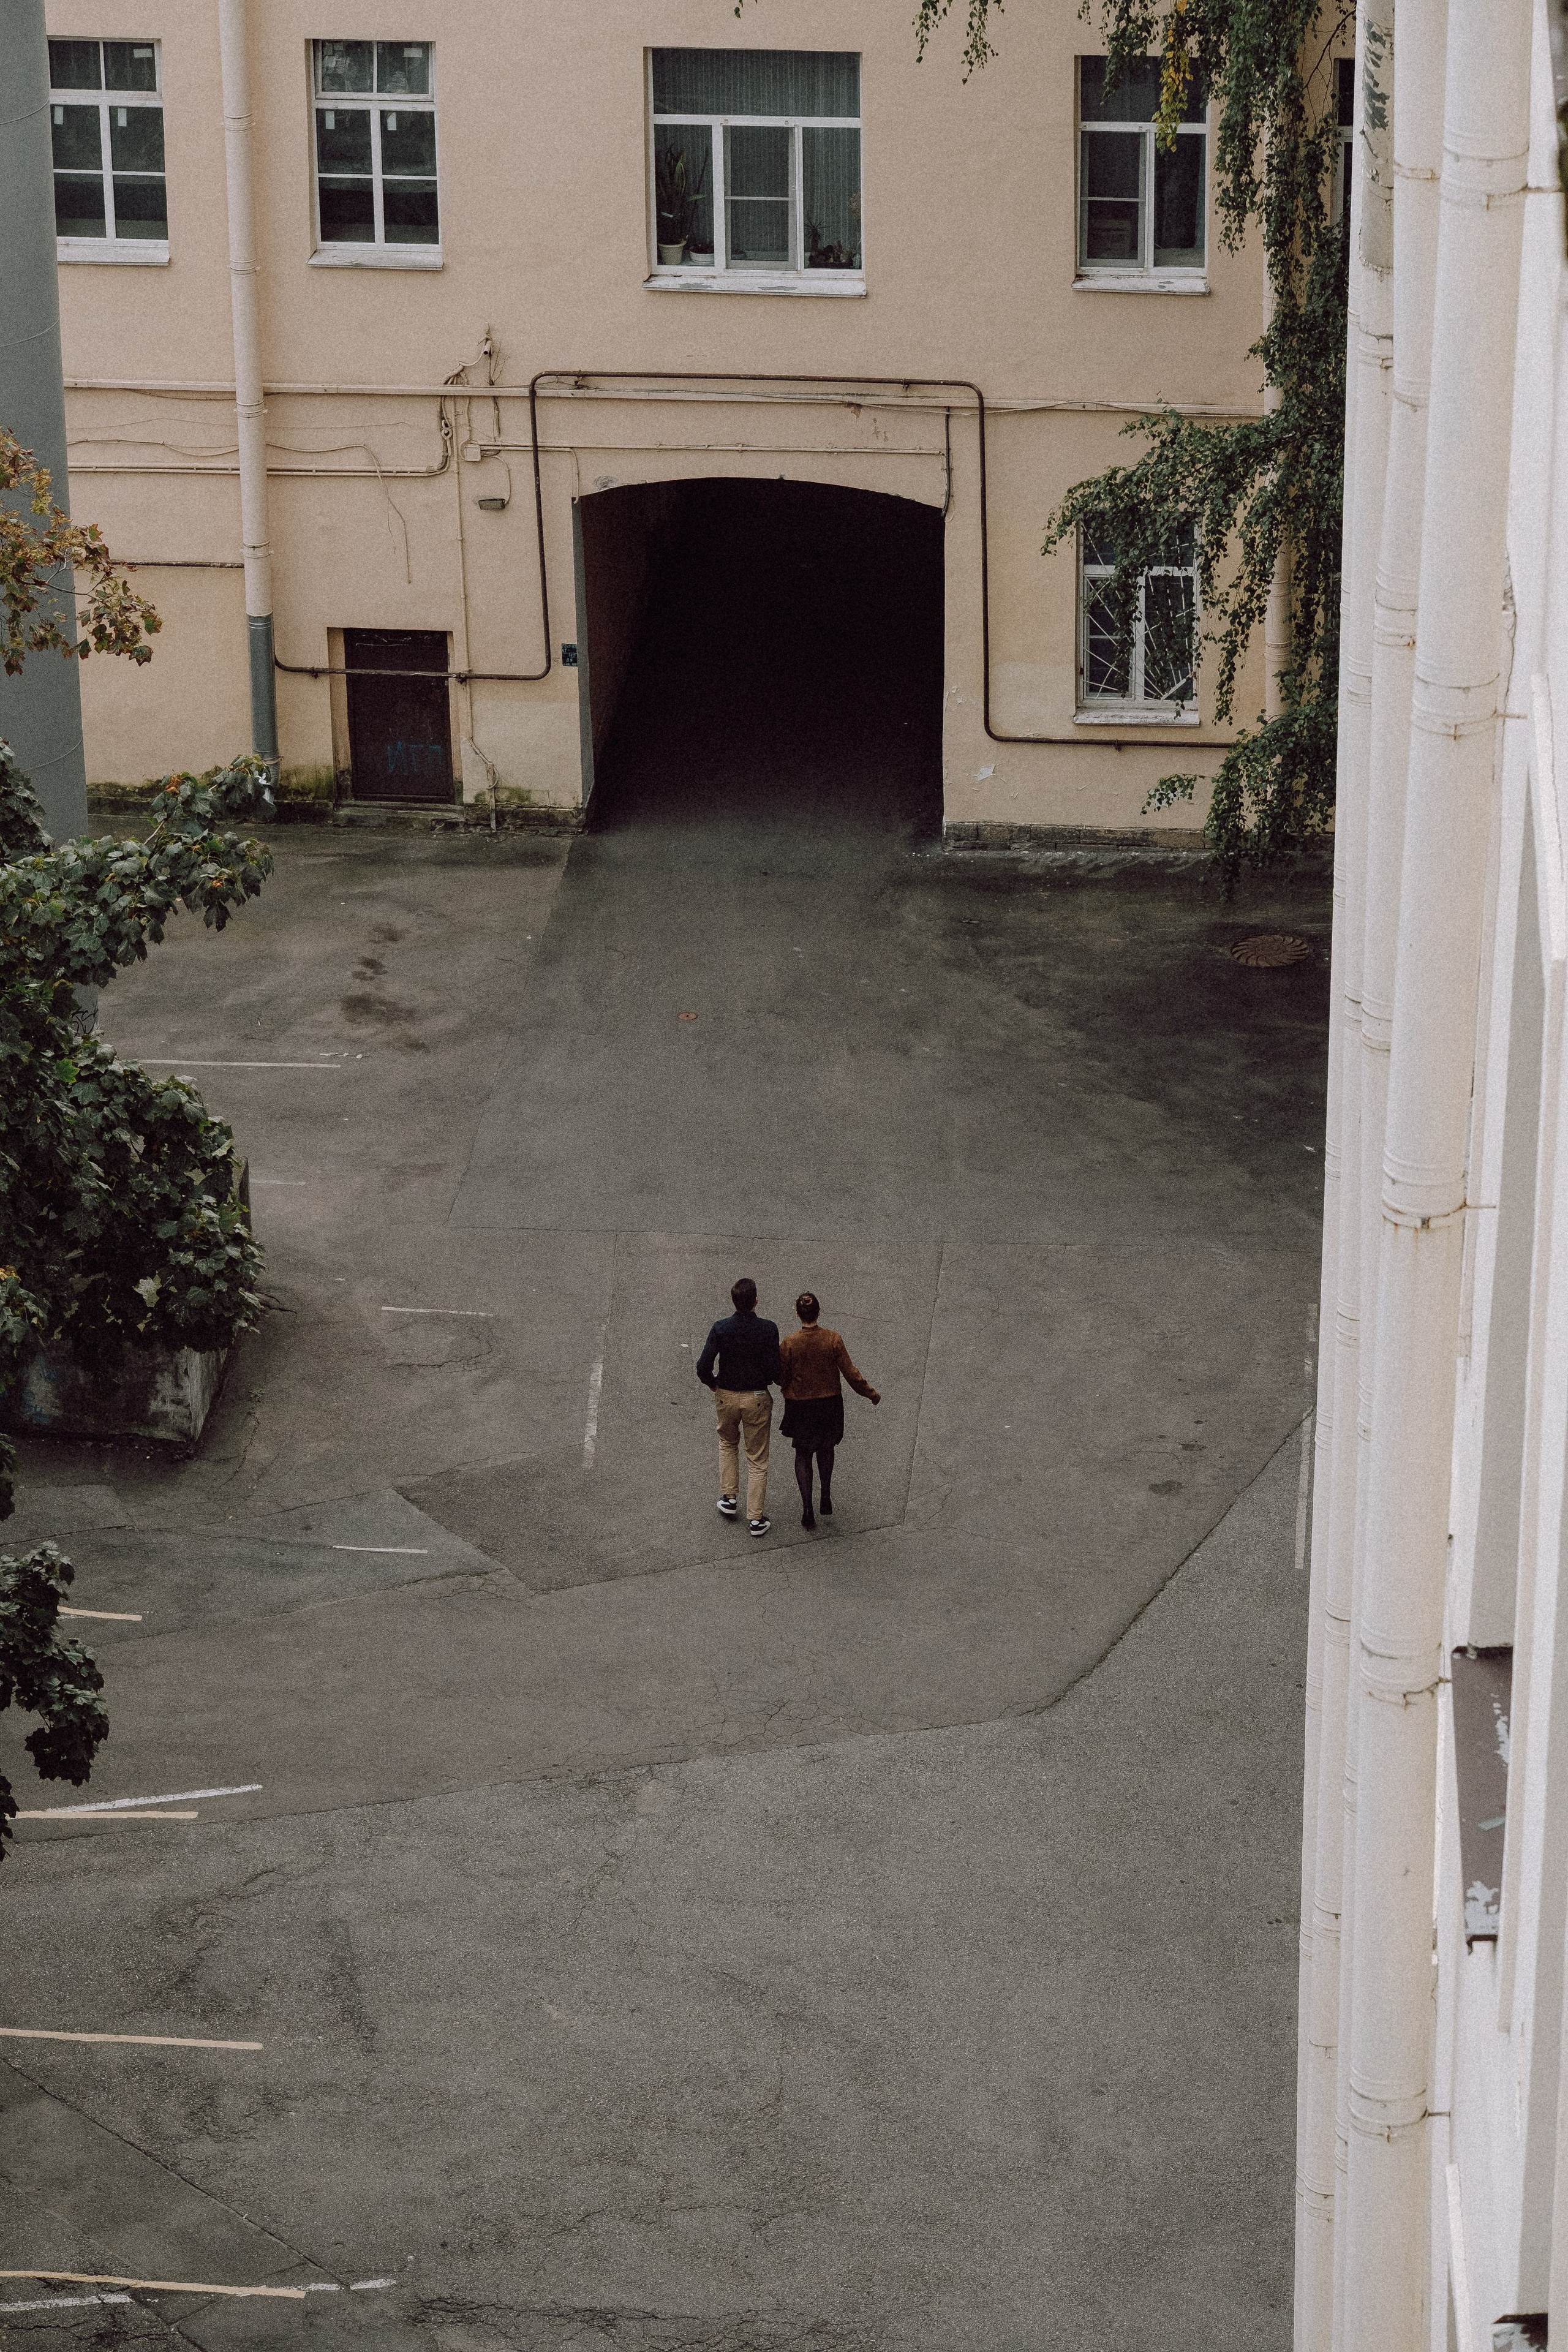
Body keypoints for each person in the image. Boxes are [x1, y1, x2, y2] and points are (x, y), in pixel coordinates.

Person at [778, 1292, 880, 1529]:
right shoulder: (833, 1339)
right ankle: (825, 1496)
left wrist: (789, 1388)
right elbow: (850, 1372)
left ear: (797, 1314)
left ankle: (807, 1509)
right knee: (826, 1448)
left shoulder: (790, 1343)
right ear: (819, 1312)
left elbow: (781, 1377)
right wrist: (870, 1393)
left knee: (803, 1454)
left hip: (801, 1406)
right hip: (829, 1404)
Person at [696, 1276, 782, 1537]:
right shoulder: (768, 1329)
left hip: (727, 1396)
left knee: (728, 1443)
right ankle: (756, 1519)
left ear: (733, 1301)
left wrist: (714, 1385)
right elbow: (775, 1370)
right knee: (757, 1458)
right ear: (756, 1300)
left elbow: (703, 1367)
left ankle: (729, 1497)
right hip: (756, 1396)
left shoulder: (721, 1328)